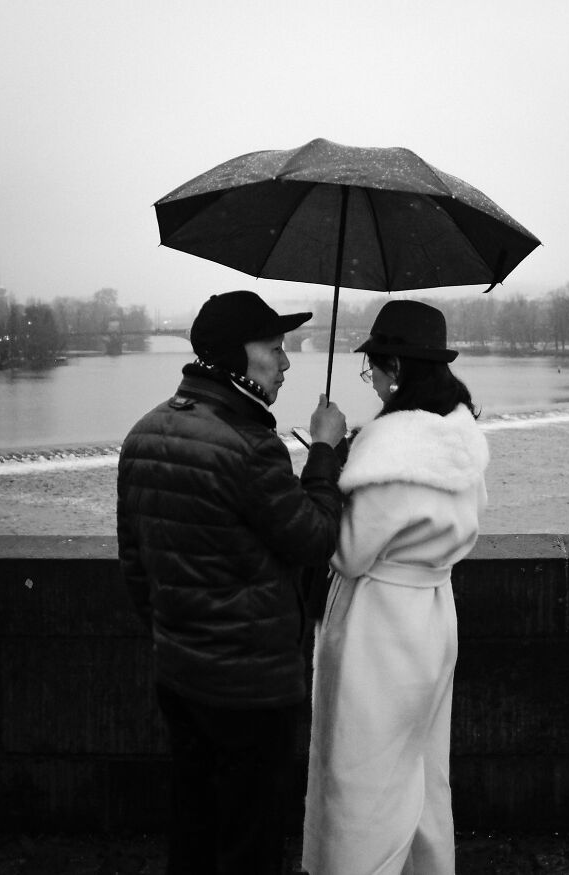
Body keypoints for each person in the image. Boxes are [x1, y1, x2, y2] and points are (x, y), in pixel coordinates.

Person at [117, 290, 347, 875]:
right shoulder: (249, 446)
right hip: (251, 688)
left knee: (193, 821)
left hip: (179, 674)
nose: (288, 362)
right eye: (276, 349)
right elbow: (315, 539)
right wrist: (323, 452)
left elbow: (136, 568)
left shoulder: (145, 432)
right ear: (236, 358)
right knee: (250, 837)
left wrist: (178, 636)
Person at [302, 300, 489, 875]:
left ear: (398, 370)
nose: (374, 382)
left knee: (364, 781)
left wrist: (328, 461)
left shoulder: (388, 450)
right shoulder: (460, 437)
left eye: (375, 370)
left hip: (378, 632)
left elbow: (349, 553)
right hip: (433, 617)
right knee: (424, 771)